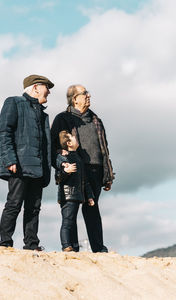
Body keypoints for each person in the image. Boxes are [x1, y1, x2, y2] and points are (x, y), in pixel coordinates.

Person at [51, 84, 115, 253]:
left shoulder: (96, 120)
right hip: (75, 170)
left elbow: (104, 148)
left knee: (92, 209)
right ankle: (71, 247)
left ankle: (98, 248)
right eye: (84, 93)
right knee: (71, 209)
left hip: (96, 170)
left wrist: (108, 173)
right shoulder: (62, 119)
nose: (89, 96)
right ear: (74, 99)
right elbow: (52, 146)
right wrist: (61, 163)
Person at [0, 74, 54, 251]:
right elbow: (3, 132)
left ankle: (31, 244)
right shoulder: (14, 102)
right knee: (14, 204)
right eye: (46, 87)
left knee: (34, 208)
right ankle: (5, 243)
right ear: (36, 87)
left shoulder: (43, 114)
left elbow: (47, 145)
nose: (49, 91)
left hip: (38, 168)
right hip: (19, 165)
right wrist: (10, 159)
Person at [56, 130, 94, 252]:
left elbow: (84, 180)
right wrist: (65, 171)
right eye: (74, 138)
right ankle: (66, 245)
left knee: (72, 221)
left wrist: (90, 196)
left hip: (77, 195)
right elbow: (58, 178)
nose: (77, 140)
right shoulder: (63, 158)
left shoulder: (78, 158)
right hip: (67, 195)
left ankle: (75, 246)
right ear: (68, 143)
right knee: (67, 221)